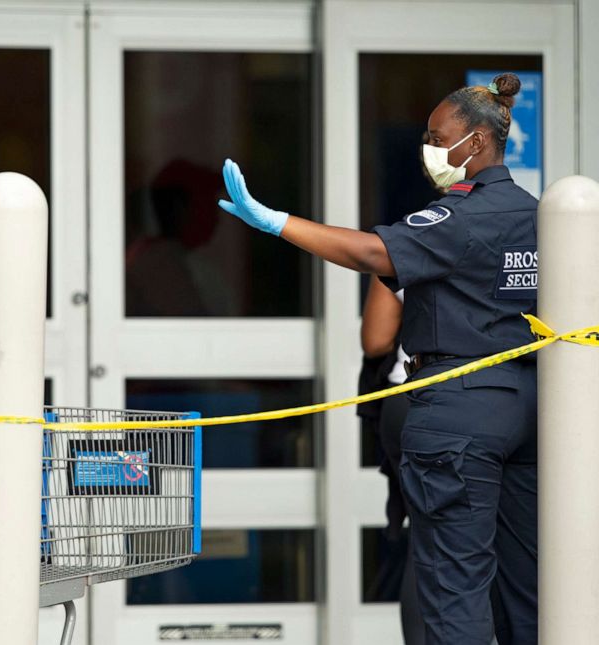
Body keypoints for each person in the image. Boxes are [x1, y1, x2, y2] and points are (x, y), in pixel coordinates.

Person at [218, 73, 537, 645]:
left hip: (461, 408)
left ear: (477, 143)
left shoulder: (461, 217)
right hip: (529, 407)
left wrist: (274, 221)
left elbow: (372, 252)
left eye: (438, 137)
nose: (430, 149)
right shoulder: (540, 215)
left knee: (455, 588)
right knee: (526, 590)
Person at [359, 275, 424, 645]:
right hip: (500, 398)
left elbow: (376, 340)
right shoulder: (545, 231)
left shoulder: (409, 239)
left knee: (430, 540)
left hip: (409, 396)